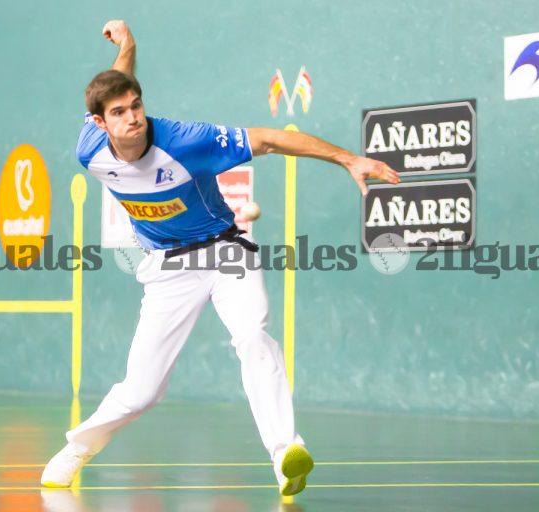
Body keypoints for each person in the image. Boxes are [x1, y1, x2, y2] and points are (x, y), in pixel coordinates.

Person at [41, 20, 400, 496]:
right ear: (101, 123)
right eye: (119, 112)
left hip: (225, 250)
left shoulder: (186, 141)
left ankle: (285, 455)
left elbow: (271, 139)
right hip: (167, 269)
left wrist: (348, 159)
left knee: (253, 336)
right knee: (142, 391)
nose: (133, 117)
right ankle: (77, 449)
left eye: (137, 105)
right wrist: (126, 45)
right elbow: (114, 82)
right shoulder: (90, 150)